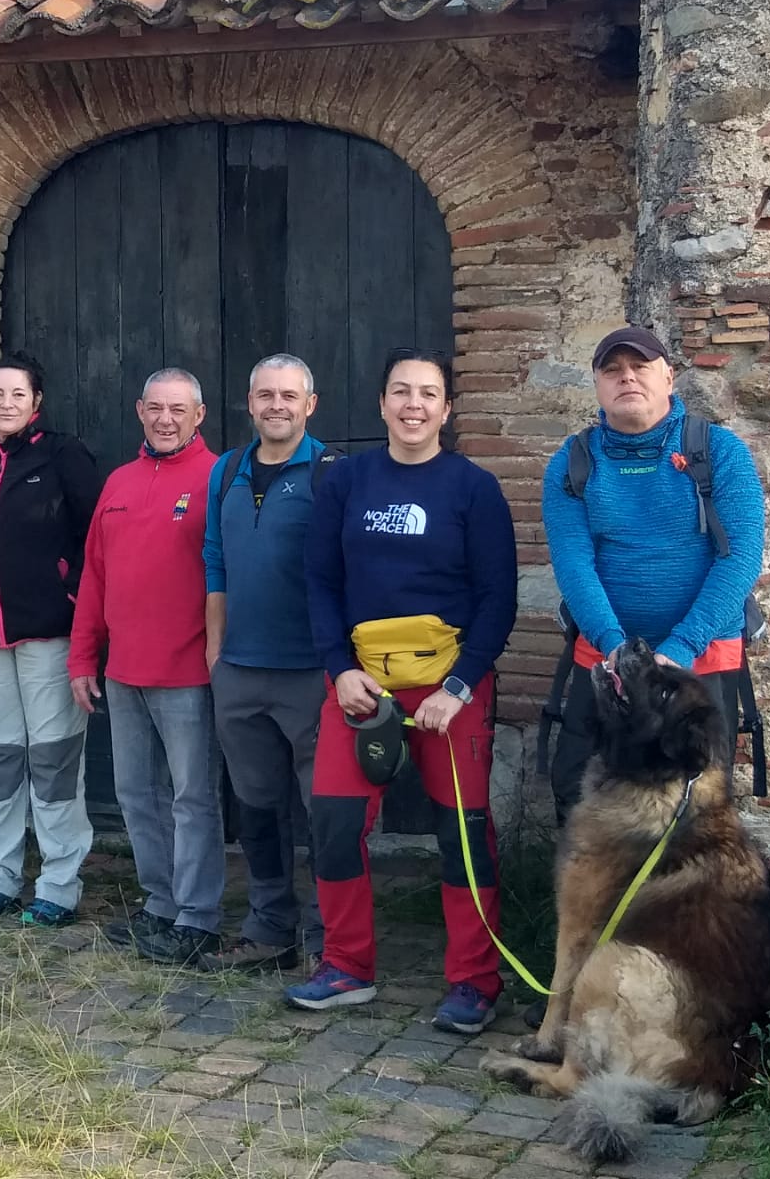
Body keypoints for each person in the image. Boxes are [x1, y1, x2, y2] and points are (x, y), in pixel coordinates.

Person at [293, 348, 518, 1035]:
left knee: (463, 835)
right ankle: (346, 966)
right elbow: (321, 582)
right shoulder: (346, 482)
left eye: (427, 393)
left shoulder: (473, 488)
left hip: (450, 690)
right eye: (400, 392)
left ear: (447, 409)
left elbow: (497, 597)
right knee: (333, 826)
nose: (413, 405)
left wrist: (459, 684)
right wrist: (339, 669)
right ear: (382, 404)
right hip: (361, 687)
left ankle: (476, 981)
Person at [541, 325, 765, 820]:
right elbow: (574, 562)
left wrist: (679, 650)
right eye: (612, 370)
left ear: (668, 377)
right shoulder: (573, 461)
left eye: (640, 367)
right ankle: (590, 897)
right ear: (598, 386)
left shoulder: (719, 452)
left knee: (695, 803)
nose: (627, 378)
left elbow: (741, 558)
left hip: (702, 659)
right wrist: (616, 649)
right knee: (580, 794)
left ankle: (684, 898)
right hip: (603, 658)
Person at [0, 354, 100, 927]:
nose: (6, 404)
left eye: (17, 394)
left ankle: (58, 884)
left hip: (48, 636)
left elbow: (93, 537)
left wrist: (74, 597)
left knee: (54, 761)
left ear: (37, 403)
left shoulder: (63, 456)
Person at [69, 367, 224, 964]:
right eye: (155, 408)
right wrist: (84, 655)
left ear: (199, 415)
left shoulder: (218, 478)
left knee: (192, 798)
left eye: (178, 409)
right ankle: (160, 903)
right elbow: (94, 576)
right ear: (139, 410)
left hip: (189, 671)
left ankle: (199, 916)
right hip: (123, 670)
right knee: (136, 793)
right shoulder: (119, 482)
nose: (165, 419)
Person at [199, 354, 330, 972]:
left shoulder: (334, 475)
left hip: (311, 672)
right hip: (240, 672)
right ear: (249, 403)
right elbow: (215, 562)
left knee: (325, 809)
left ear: (310, 404)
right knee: (255, 806)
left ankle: (335, 937)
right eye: (264, 395)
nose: (276, 405)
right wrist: (215, 650)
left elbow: (348, 574)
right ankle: (269, 924)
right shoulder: (226, 472)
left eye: (288, 396)